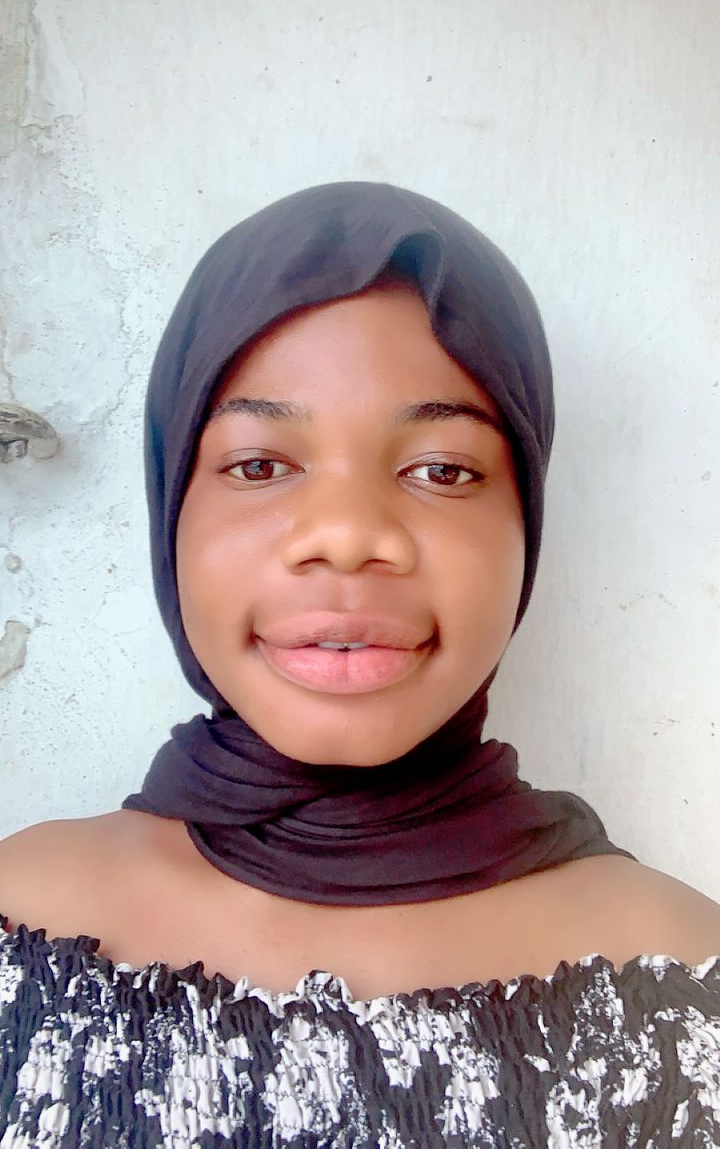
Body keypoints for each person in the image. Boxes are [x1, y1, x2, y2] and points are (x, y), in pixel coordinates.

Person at [1, 181, 719, 1147]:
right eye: (260, 465)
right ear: (171, 508)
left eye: (443, 469)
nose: (345, 536)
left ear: (527, 524)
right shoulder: (18, 921)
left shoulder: (686, 986)